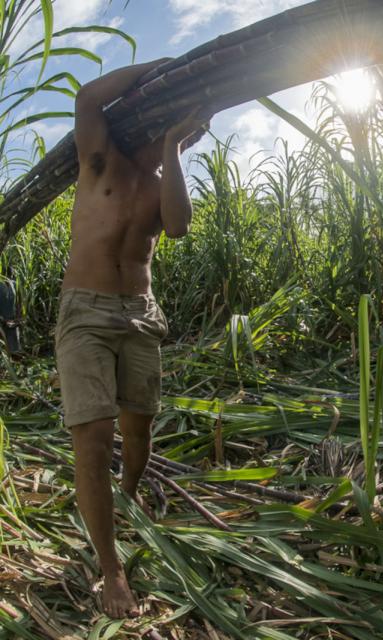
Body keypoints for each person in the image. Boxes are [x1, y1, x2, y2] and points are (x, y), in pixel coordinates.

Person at [55, 60, 209, 619]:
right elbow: (88, 97)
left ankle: (131, 490)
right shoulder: (99, 161)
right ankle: (111, 569)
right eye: (161, 130)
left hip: (141, 315)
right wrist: (163, 67)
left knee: (137, 431)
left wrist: (174, 148)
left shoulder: (159, 185)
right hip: (86, 314)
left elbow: (177, 227)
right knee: (92, 437)